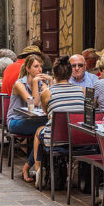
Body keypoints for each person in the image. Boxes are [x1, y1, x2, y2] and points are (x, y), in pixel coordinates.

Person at [30, 55, 85, 183]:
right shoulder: (81, 90)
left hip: (55, 139)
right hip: (77, 138)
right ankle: (75, 168)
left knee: (38, 132)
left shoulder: (47, 93)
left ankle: (38, 169)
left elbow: (46, 111)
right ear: (70, 74)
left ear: (54, 74)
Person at [6, 54, 50, 182]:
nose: (39, 69)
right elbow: (34, 103)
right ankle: (34, 168)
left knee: (44, 131)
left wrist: (50, 83)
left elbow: (50, 100)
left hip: (33, 121)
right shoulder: (19, 84)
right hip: (16, 121)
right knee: (48, 126)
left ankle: (27, 168)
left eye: (41, 66)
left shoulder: (41, 84)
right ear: (28, 69)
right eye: (36, 66)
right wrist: (36, 83)